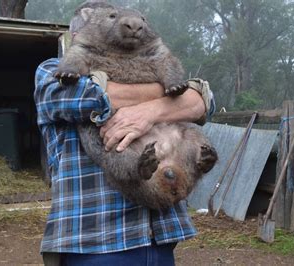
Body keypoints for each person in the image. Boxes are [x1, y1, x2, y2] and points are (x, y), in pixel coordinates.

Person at [34, 2, 215, 265]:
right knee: (120, 157)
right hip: (97, 242)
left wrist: (151, 112)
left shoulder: (149, 56)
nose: (130, 27)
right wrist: (168, 97)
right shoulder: (50, 70)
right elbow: (83, 96)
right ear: (77, 35)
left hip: (158, 237)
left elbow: (205, 103)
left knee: (190, 141)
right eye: (109, 19)